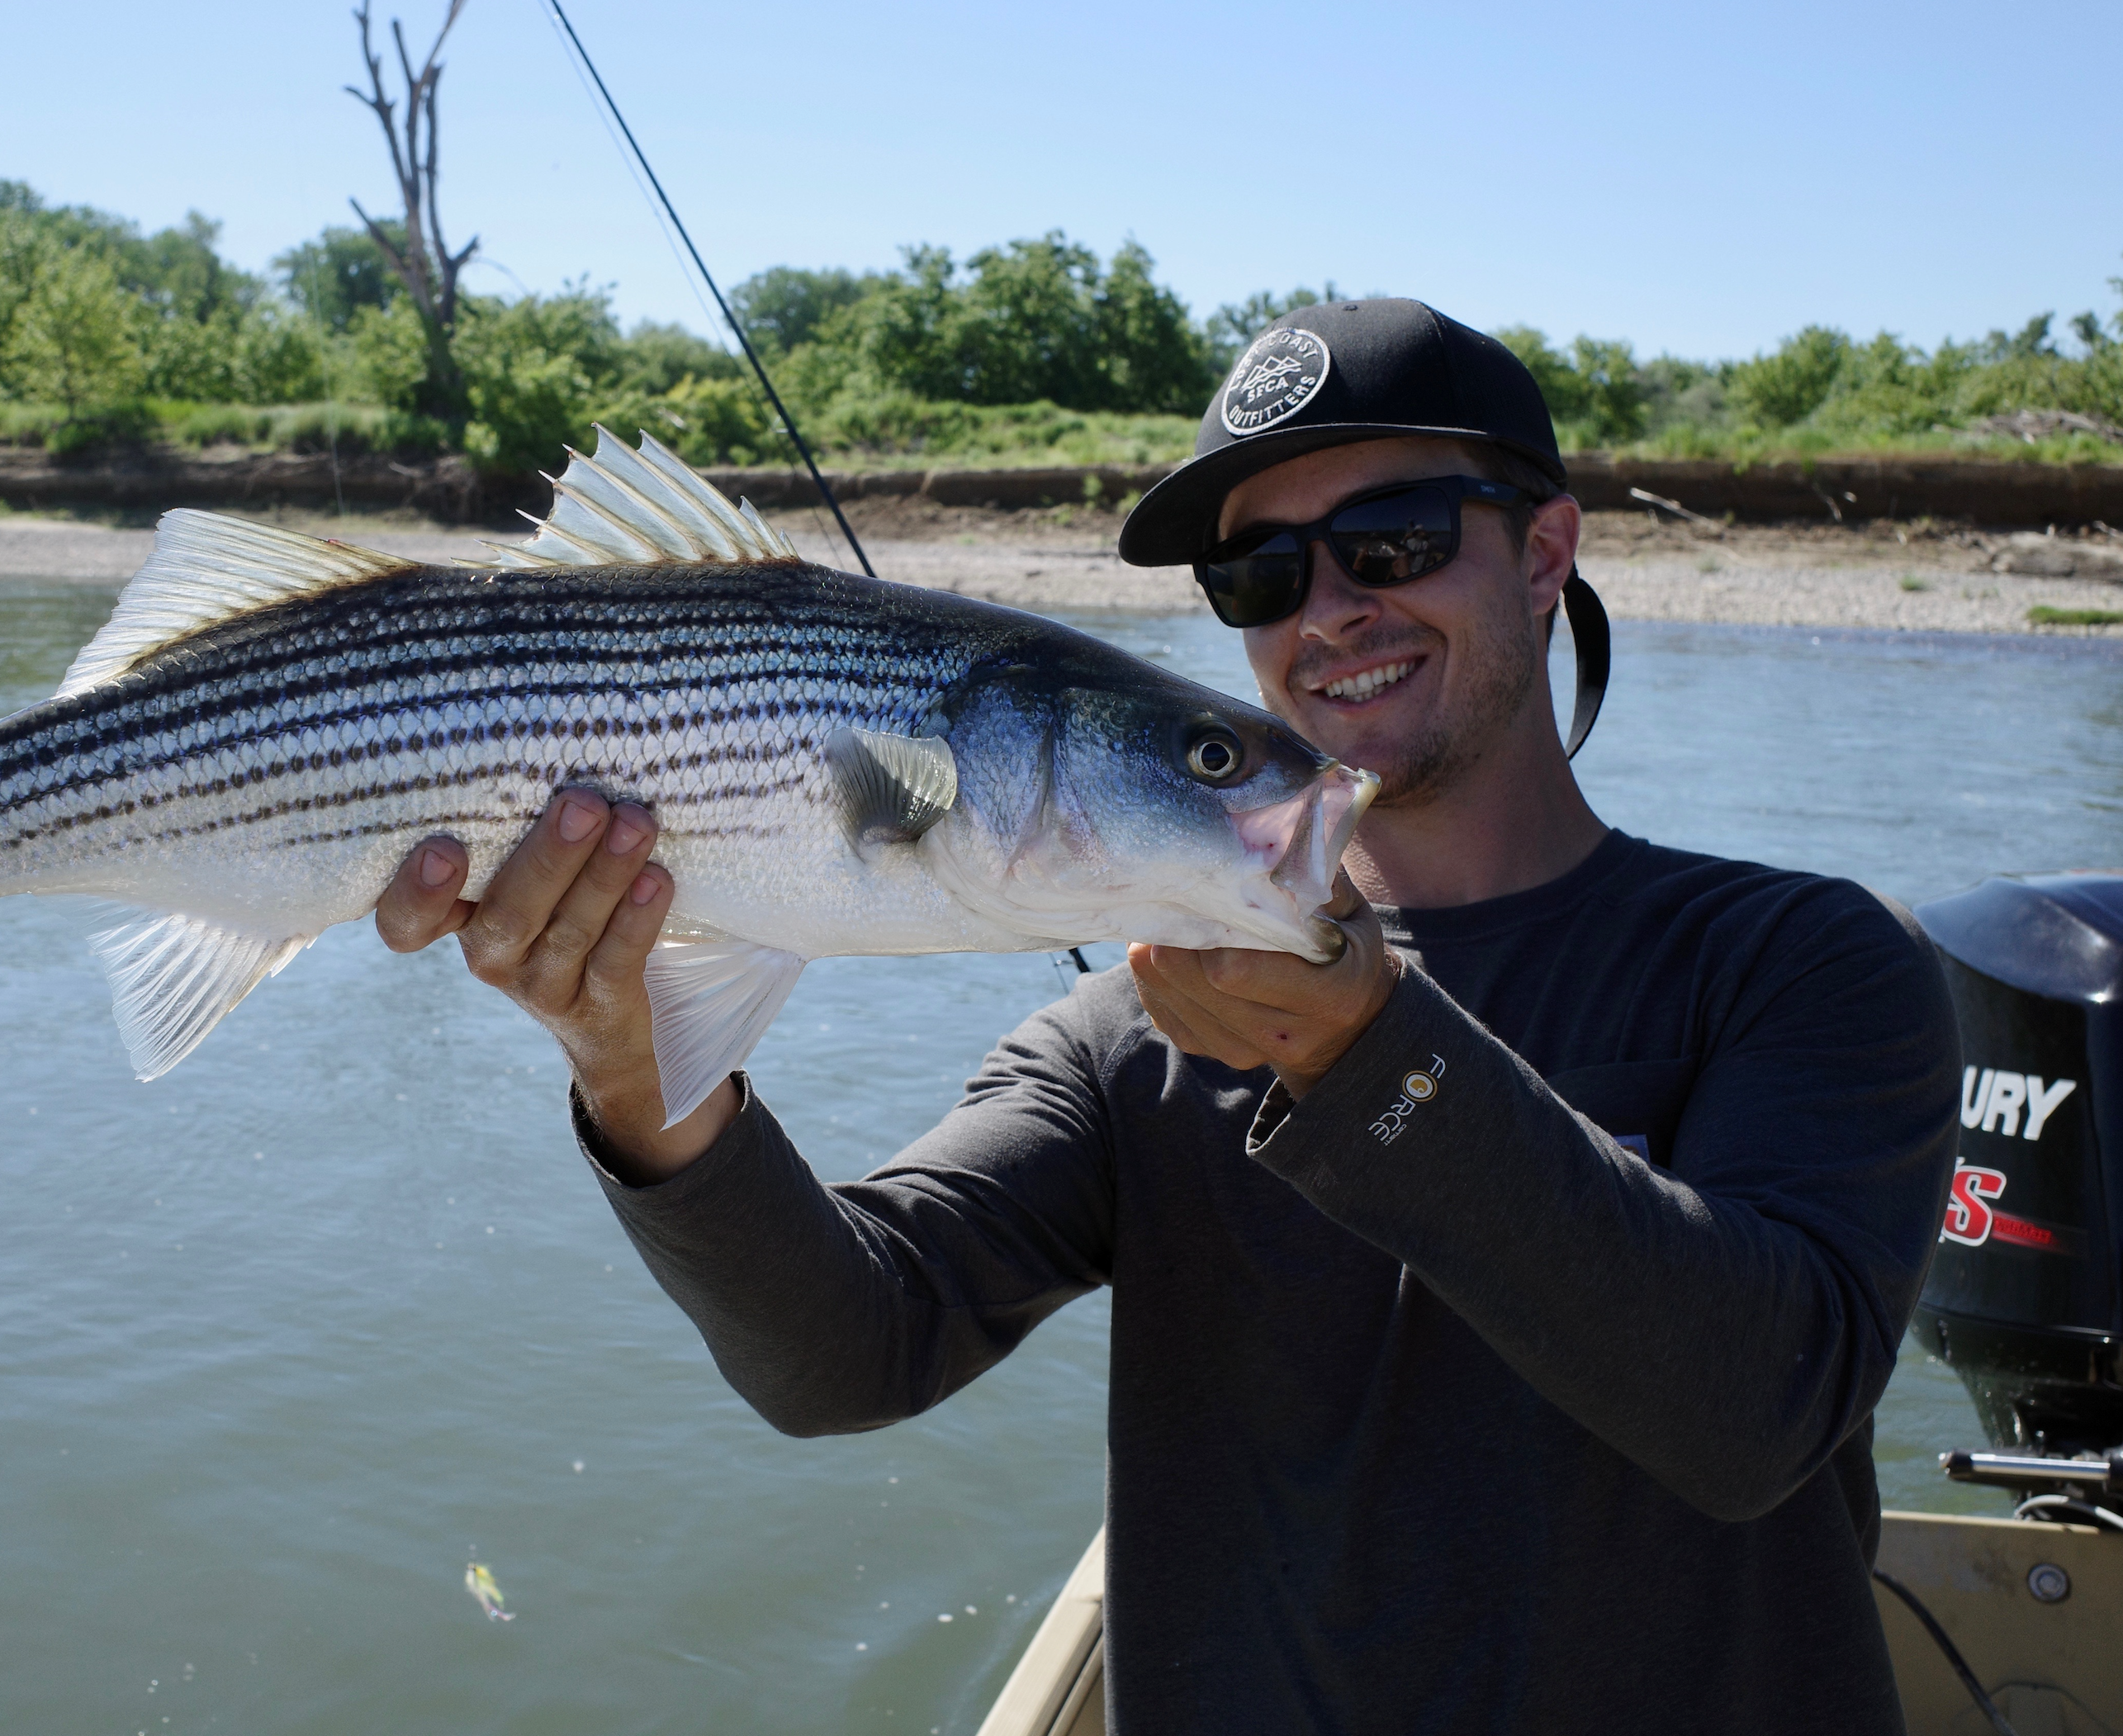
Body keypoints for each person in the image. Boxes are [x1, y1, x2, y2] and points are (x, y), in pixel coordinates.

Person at [373, 299, 1960, 1732]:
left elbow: (1758, 1410)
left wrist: (1367, 1054)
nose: (1326, 609)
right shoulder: (1135, 1026)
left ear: (1544, 553)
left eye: (1392, 539)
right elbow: (850, 1348)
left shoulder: (1795, 960)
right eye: (1260, 572)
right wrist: (634, 1077)